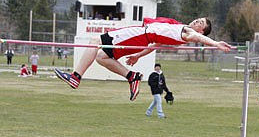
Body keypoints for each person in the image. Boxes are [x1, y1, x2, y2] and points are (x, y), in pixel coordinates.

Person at [54, 17, 231, 101]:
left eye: (201, 24)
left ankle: (76, 77)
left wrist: (216, 43)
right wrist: (138, 55)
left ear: (200, 31)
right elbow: (154, 44)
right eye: (199, 19)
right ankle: (132, 77)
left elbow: (200, 39)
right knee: (101, 57)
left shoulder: (189, 33)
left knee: (95, 41)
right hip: (141, 38)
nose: (197, 22)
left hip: (138, 35)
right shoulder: (180, 28)